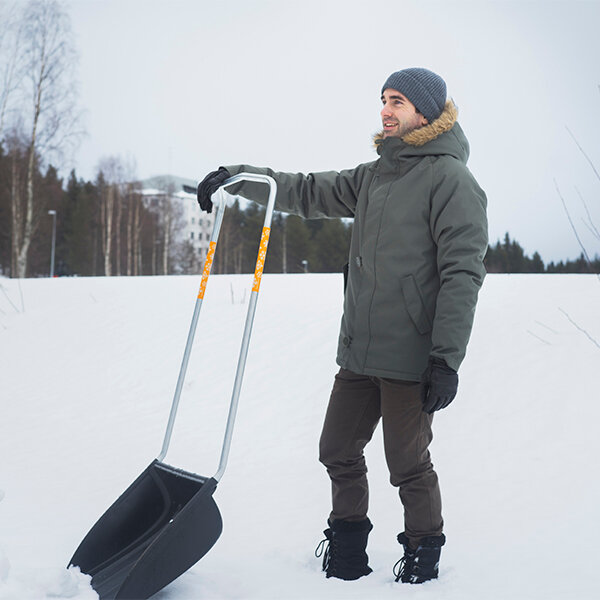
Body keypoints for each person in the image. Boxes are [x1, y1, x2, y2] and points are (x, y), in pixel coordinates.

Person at [196, 67, 488, 584]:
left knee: (408, 465)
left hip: (411, 357)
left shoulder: (451, 180)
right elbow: (307, 192)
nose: (385, 110)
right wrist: (238, 177)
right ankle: (349, 548)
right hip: (359, 351)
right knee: (336, 449)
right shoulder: (375, 175)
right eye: (383, 100)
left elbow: (462, 273)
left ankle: (423, 555)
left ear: (425, 111)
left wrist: (446, 359)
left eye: (397, 101)